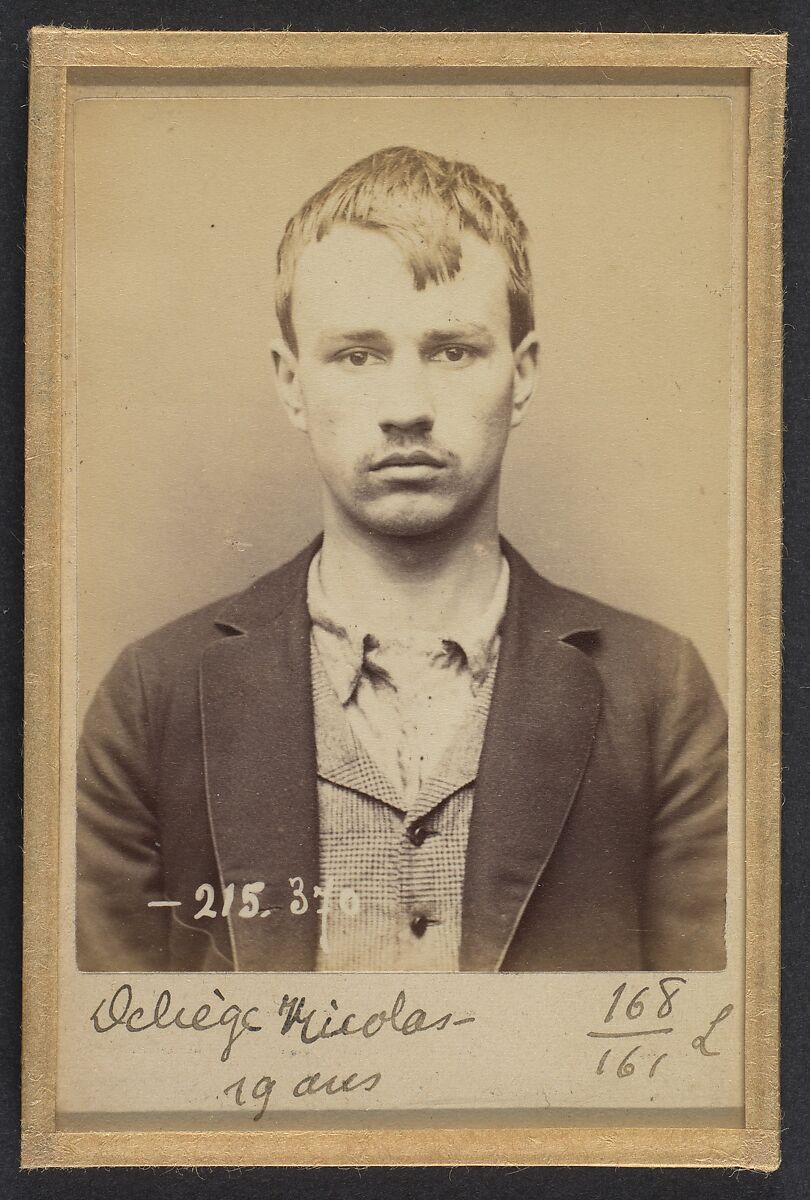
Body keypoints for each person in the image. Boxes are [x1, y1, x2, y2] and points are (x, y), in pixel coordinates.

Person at [77, 145, 727, 974]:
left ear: (521, 376)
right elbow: (108, 1065)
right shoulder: (151, 698)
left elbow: (711, 1055)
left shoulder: (660, 695)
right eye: (358, 355)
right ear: (290, 382)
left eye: (453, 350)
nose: (407, 408)